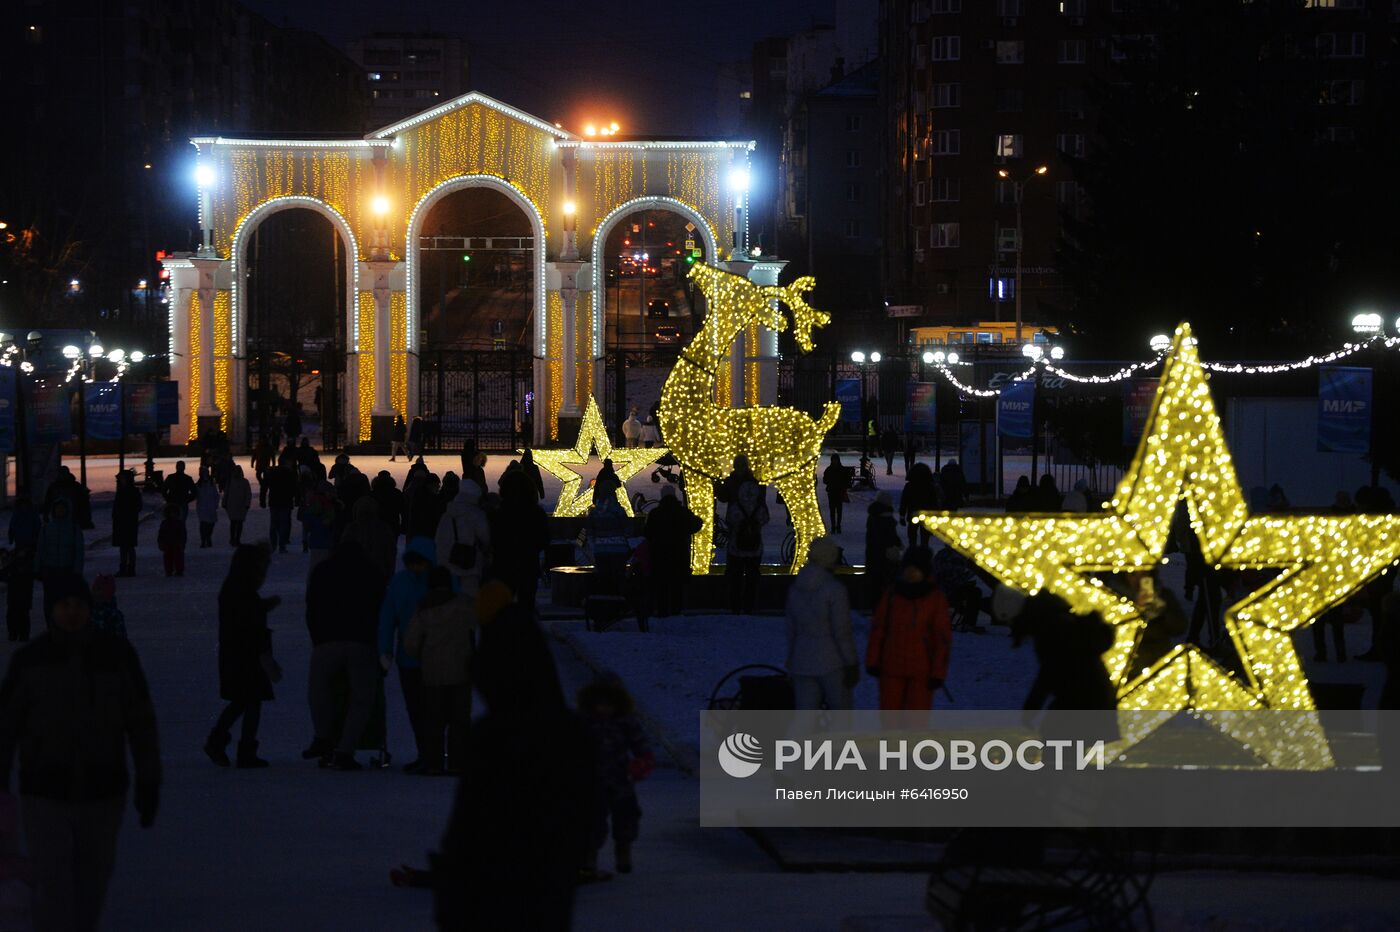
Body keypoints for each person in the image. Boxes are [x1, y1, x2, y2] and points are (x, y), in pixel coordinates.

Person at [0, 573, 160, 932]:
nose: (71, 613)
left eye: (78, 606)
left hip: (102, 789)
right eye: (63, 606)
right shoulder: (31, 660)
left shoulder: (116, 657)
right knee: (52, 882)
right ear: (52, 610)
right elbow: (6, 725)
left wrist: (149, 779)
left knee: (91, 882)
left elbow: (141, 722)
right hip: (45, 790)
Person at [432, 608, 595, 930]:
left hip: (487, 895)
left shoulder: (490, 736)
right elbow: (582, 817)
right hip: (547, 893)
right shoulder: (570, 733)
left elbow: (466, 829)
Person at [304, 541, 387, 771]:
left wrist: (317, 637)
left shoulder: (322, 571)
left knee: (320, 691)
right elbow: (382, 609)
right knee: (362, 697)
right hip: (361, 641)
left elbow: (311, 606)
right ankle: (345, 748)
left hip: (327, 640)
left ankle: (324, 736)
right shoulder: (372, 572)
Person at [206, 545, 282, 768]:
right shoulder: (243, 589)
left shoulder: (235, 586)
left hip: (236, 653)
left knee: (243, 702)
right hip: (246, 654)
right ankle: (242, 749)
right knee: (250, 701)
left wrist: (264, 606)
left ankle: (220, 742)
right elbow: (249, 622)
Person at [404, 569, 482, 776]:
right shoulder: (464, 605)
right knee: (459, 719)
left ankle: (433, 762)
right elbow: (477, 624)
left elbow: (411, 643)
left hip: (432, 672)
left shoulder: (423, 607)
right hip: (461, 669)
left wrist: (419, 655)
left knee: (433, 719)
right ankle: (457, 761)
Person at [577, 673, 653, 880]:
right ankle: (588, 858)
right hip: (592, 780)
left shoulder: (626, 722)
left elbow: (640, 744)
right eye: (599, 704)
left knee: (627, 816)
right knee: (592, 820)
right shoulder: (584, 722)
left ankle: (623, 848)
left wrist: (643, 760)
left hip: (620, 777)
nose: (603, 709)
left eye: (609, 704)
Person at [866, 546, 952, 711]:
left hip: (922, 670)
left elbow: (941, 638)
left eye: (916, 569)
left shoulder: (935, 599)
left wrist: (938, 672)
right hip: (891, 666)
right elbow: (879, 629)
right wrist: (873, 660)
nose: (911, 573)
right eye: (908, 568)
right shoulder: (892, 594)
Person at [379, 537, 437, 773]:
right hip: (414, 657)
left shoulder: (409, 582)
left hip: (431, 657)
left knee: (430, 709)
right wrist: (385, 650)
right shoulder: (403, 582)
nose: (416, 568)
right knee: (418, 709)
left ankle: (430, 754)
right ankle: (427, 753)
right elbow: (387, 619)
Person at [786, 537, 857, 710]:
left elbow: (791, 630)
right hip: (831, 661)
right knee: (841, 717)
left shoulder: (796, 587)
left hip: (802, 659)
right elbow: (842, 631)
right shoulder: (834, 589)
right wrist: (851, 662)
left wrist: (791, 660)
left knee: (804, 720)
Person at [491, 470, 549, 610]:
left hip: (504, 564)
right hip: (528, 564)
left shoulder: (500, 513)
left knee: (503, 606)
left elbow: (492, 538)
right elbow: (544, 539)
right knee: (527, 604)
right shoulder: (536, 513)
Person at [644, 485, 702, 617]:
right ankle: (676, 610)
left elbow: (648, 533)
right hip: (679, 554)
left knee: (661, 586)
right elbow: (696, 524)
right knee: (677, 585)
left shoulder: (655, 513)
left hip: (660, 555)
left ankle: (662, 610)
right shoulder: (683, 512)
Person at [724, 459, 769, 614]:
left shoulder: (735, 504)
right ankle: (748, 606)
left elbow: (729, 516)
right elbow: (765, 517)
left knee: (736, 575)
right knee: (751, 576)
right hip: (754, 545)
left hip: (737, 543)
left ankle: (735, 606)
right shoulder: (756, 487)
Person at [435, 478, 491, 595]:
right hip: (469, 564)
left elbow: (438, 539)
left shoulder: (447, 514)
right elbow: (486, 537)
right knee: (469, 602)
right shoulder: (476, 514)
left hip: (447, 563)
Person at [35, 499, 84, 619]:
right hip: (50, 570)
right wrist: (37, 568)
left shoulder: (73, 528)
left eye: (62, 508)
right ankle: (51, 626)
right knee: (50, 601)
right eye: (58, 508)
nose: (60, 511)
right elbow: (40, 549)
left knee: (65, 600)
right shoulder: (46, 528)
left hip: (67, 570)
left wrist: (77, 571)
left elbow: (79, 551)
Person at [5, 496, 41, 642]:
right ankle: (17, 632)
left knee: (18, 607)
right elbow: (12, 528)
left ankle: (17, 632)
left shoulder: (22, 515)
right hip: (24, 547)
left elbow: (12, 529)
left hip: (27, 547)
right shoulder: (24, 515)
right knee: (17, 607)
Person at [586, 489, 633, 594]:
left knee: (603, 577)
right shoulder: (619, 510)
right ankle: (619, 600)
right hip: (619, 550)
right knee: (619, 576)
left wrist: (594, 545)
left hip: (600, 550)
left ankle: (605, 600)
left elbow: (589, 532)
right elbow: (628, 530)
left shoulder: (594, 513)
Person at [342, 496, 397, 579]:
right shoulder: (384, 528)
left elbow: (343, 552)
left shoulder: (351, 528)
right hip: (378, 574)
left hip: (355, 574)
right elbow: (391, 553)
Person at [864, 492, 902, 601]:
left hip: (872, 555)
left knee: (875, 585)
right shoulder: (886, 518)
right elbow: (889, 536)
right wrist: (897, 544)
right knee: (887, 584)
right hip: (885, 556)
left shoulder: (873, 516)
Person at [899, 462, 941, 548]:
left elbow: (904, 501)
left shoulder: (909, 486)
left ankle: (912, 552)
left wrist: (902, 515)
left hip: (913, 513)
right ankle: (923, 553)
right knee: (925, 538)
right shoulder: (930, 486)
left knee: (912, 535)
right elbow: (934, 502)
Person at [112, 469, 142, 577]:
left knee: (128, 546)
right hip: (123, 522)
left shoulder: (131, 491)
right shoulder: (122, 491)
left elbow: (138, 506)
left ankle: (129, 568)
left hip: (128, 521)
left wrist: (127, 513)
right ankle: (125, 567)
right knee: (125, 546)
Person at [263, 459, 297, 554]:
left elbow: (265, 486)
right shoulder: (290, 474)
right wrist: (296, 498)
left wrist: (262, 499)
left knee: (274, 524)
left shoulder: (272, 473)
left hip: (274, 501)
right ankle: (282, 545)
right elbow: (294, 487)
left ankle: (273, 545)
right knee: (283, 524)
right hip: (285, 501)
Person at [821, 453, 852, 533]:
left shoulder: (829, 469)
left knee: (838, 510)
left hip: (837, 491)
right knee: (833, 510)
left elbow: (825, 480)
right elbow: (825, 480)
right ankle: (834, 526)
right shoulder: (837, 469)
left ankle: (837, 526)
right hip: (833, 491)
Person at [223, 464, 253, 546]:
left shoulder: (244, 482)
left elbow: (248, 494)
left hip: (240, 505)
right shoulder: (230, 482)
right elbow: (226, 493)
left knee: (238, 523)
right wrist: (224, 502)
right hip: (233, 505)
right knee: (234, 523)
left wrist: (247, 503)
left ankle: (236, 539)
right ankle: (233, 538)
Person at [90, 574, 127, 640]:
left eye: (98, 589)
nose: (95, 593)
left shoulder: (114, 615)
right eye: (94, 589)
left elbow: (121, 637)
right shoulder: (88, 611)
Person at [156, 503, 187, 578]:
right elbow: (161, 533)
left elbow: (183, 533)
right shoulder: (165, 523)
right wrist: (160, 542)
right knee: (168, 557)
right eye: (171, 513)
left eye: (174, 513)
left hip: (177, 542)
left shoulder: (179, 523)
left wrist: (182, 542)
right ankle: (169, 570)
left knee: (178, 557)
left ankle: (179, 570)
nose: (173, 515)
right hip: (168, 542)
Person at [195, 467, 220, 548]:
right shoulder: (198, 484)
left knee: (211, 524)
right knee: (203, 524)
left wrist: (215, 504)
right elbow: (195, 495)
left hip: (211, 506)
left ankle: (208, 537)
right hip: (202, 507)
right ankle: (203, 540)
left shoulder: (212, 483)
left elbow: (216, 495)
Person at [251, 437, 275, 508]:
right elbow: (254, 455)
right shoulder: (259, 447)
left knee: (264, 484)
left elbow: (272, 456)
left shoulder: (268, 447)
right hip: (260, 465)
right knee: (259, 476)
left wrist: (273, 464)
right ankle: (263, 484)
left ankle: (263, 502)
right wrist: (252, 462)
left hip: (265, 466)